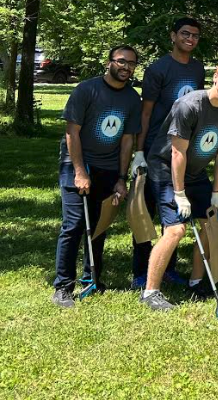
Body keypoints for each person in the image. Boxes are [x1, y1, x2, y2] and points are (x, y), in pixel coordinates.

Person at [141, 61, 218, 311]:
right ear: (216, 75)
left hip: (196, 172)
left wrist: (216, 193)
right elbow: (177, 153)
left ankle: (196, 282)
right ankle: (150, 292)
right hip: (166, 168)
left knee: (208, 223)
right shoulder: (190, 105)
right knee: (176, 230)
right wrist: (179, 194)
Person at [51, 46, 142, 307]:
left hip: (109, 168)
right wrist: (79, 172)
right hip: (77, 164)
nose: (126, 67)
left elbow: (127, 141)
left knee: (99, 225)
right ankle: (63, 286)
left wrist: (121, 178)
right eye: (121, 61)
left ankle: (91, 278)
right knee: (74, 225)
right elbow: (72, 132)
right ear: (109, 62)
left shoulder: (132, 99)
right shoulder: (87, 90)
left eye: (131, 64)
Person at [131, 17, 205, 289]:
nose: (190, 38)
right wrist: (139, 151)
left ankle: (169, 268)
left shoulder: (197, 69)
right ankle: (140, 271)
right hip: (154, 149)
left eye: (195, 35)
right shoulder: (158, 69)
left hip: (179, 149)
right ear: (173, 36)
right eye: (185, 33)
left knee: (172, 214)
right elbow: (146, 111)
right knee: (145, 212)